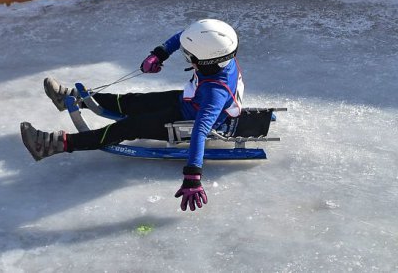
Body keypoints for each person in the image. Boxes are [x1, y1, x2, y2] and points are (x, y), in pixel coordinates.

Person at [20, 18, 244, 213]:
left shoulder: (215, 92)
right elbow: (183, 38)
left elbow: (200, 131)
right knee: (132, 101)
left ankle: (54, 144)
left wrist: (192, 176)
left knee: (129, 127)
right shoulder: (217, 54)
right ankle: (72, 97)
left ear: (205, 60)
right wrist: (160, 54)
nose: (187, 57)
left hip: (188, 119)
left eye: (189, 57)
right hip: (188, 100)